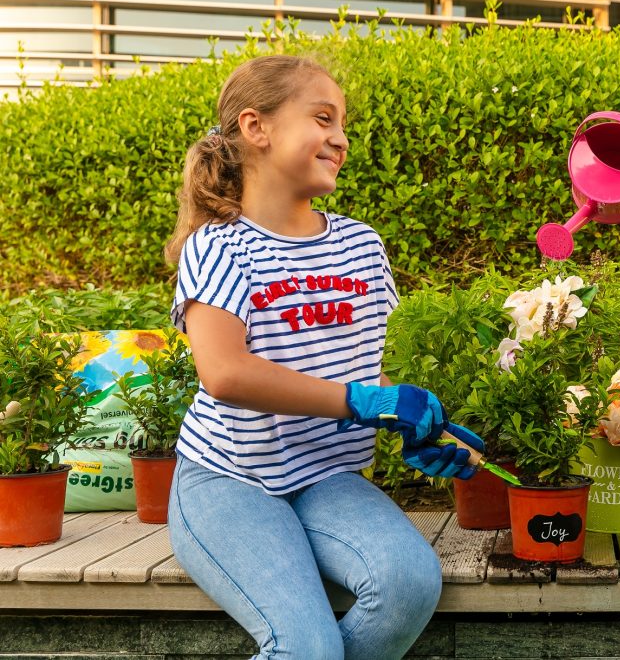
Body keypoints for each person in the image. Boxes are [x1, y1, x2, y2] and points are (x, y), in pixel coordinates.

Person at [163, 54, 483, 660]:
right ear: (256, 128)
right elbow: (225, 373)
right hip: (228, 481)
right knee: (306, 646)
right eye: (322, 117)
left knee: (410, 586)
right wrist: (363, 401)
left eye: (343, 125)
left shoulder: (362, 245)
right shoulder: (217, 247)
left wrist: (409, 424)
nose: (340, 138)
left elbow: (366, 372)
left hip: (327, 476)